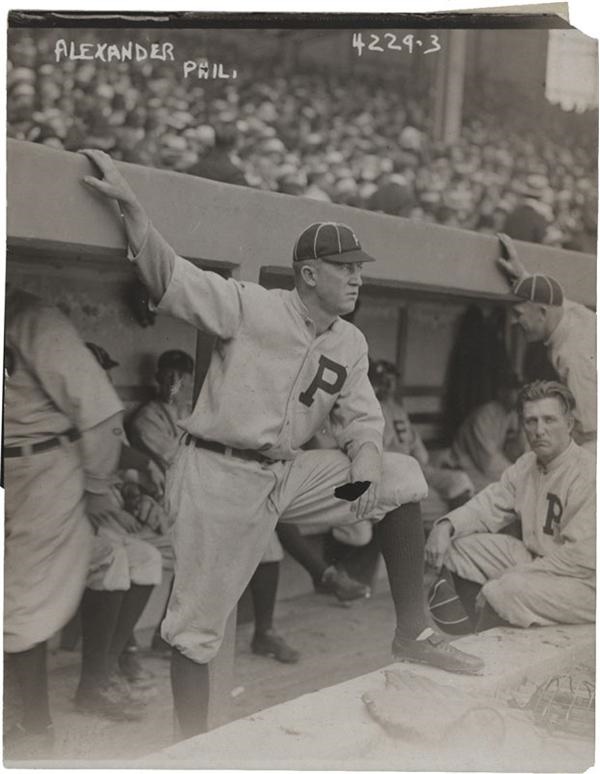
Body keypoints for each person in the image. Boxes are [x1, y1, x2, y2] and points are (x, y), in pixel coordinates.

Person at [80, 149, 484, 739]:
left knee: (402, 477)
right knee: (195, 633)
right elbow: (171, 275)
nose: (356, 277)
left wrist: (364, 471)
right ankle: (190, 749)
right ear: (309, 273)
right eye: (343, 267)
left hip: (286, 475)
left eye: (359, 268)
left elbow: (364, 423)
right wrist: (132, 209)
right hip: (217, 477)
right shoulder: (250, 306)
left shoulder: (348, 341)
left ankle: (412, 631)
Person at [3, 288, 124, 759]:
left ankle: (36, 727)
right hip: (12, 469)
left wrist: (96, 487)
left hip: (45, 467)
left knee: (19, 599)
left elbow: (103, 411)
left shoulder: (33, 317)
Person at [127, 349, 299, 663]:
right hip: (169, 497)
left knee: (268, 543)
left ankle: (264, 632)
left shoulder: (198, 410)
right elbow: (179, 460)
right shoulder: (149, 416)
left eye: (181, 378)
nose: (173, 384)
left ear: (193, 380)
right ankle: (168, 634)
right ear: (157, 378)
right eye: (167, 376)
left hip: (208, 493)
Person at [426, 381, 595, 635]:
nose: (539, 430)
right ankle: (479, 634)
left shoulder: (589, 473)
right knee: (460, 548)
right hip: (540, 562)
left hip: (585, 583)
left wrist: (503, 581)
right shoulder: (527, 464)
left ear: (569, 423)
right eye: (531, 421)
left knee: (505, 590)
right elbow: (488, 505)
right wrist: (445, 526)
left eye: (549, 420)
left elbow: (580, 560)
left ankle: (490, 648)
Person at [496, 233, 596, 450]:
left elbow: (590, 434)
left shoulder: (574, 356)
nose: (515, 321)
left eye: (519, 314)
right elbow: (551, 300)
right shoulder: (569, 316)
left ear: (541, 313)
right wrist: (523, 277)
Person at [369, 359, 474, 509]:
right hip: (393, 472)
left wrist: (423, 462)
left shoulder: (398, 409)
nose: (388, 386)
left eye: (392, 381)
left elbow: (415, 444)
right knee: (426, 496)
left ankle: (463, 528)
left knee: (460, 481)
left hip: (415, 467)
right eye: (384, 381)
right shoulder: (369, 409)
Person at [444, 372, 524, 492]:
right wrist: (516, 475)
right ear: (501, 392)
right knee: (504, 490)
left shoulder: (511, 415)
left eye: (521, 389)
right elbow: (487, 460)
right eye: (514, 389)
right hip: (462, 466)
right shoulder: (484, 416)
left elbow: (514, 451)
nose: (519, 394)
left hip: (483, 468)